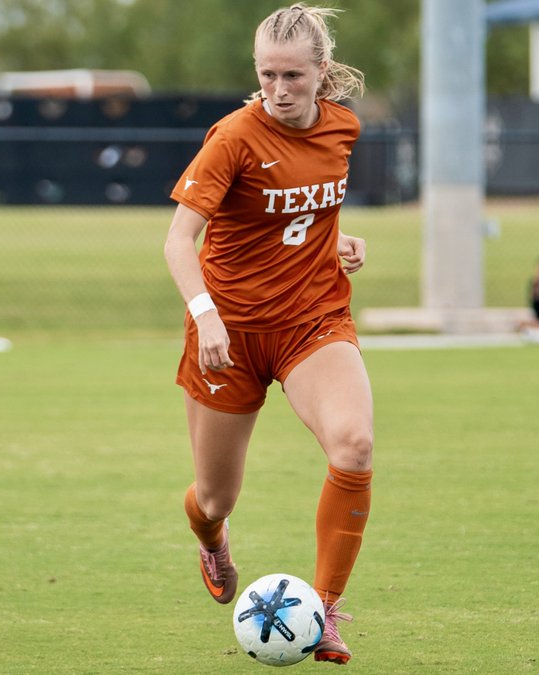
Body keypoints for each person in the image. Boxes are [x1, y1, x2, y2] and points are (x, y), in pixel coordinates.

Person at [163, 4, 371, 665]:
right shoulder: (233, 137)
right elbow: (177, 241)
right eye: (267, 75)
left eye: (292, 76)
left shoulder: (343, 127)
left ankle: (324, 610)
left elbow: (300, 212)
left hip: (313, 321)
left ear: (321, 71)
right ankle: (211, 537)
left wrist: (339, 240)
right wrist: (205, 314)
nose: (279, 90)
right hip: (229, 334)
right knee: (214, 497)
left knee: (354, 446)